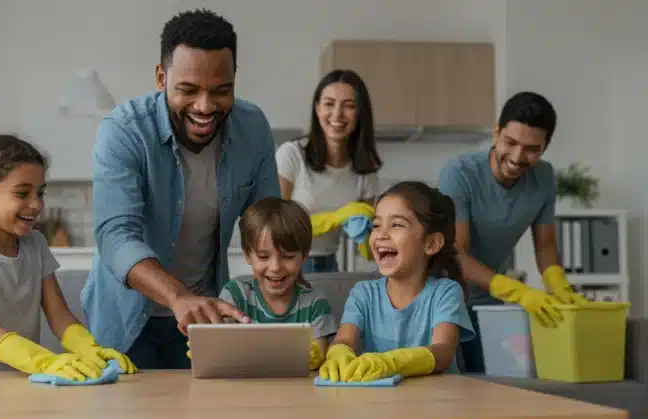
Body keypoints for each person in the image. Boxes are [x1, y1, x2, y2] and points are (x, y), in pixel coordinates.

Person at [81, 8, 280, 370]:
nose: (205, 107)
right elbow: (115, 235)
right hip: (125, 320)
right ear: (161, 77)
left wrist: (283, 298)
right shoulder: (124, 130)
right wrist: (178, 296)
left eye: (221, 91)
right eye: (188, 90)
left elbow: (269, 222)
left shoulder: (253, 128)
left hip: (203, 319)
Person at [0, 134, 136, 384]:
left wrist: (89, 348)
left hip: (18, 377)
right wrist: (44, 361)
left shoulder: (35, 244)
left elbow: (59, 316)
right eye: (22, 193)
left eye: (40, 193)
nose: (36, 204)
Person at [437, 91, 589, 374]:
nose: (518, 157)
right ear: (496, 133)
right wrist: (517, 291)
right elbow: (456, 255)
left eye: (532, 149)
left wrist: (559, 286)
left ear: (545, 147)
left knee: (498, 387)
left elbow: (545, 245)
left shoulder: (543, 177)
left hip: (490, 306)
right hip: (445, 302)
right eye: (510, 142)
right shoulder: (459, 174)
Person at [319, 181, 475, 383]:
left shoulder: (446, 292)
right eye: (376, 225)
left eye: (396, 225)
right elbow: (345, 339)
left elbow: (443, 352)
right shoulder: (362, 294)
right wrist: (338, 352)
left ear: (431, 243)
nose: (381, 235)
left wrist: (394, 362)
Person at [276, 69, 382, 273]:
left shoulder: (365, 170)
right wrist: (336, 218)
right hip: (287, 266)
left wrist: (365, 234)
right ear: (317, 109)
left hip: (330, 265)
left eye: (349, 106)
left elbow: (370, 251)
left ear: (360, 113)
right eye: (329, 104)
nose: (337, 114)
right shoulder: (292, 155)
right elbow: (277, 225)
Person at [216, 197, 338, 369]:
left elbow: (318, 358)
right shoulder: (235, 295)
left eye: (288, 257)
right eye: (263, 256)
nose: (275, 267)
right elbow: (220, 352)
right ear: (247, 255)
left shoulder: (315, 304)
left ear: (304, 255)